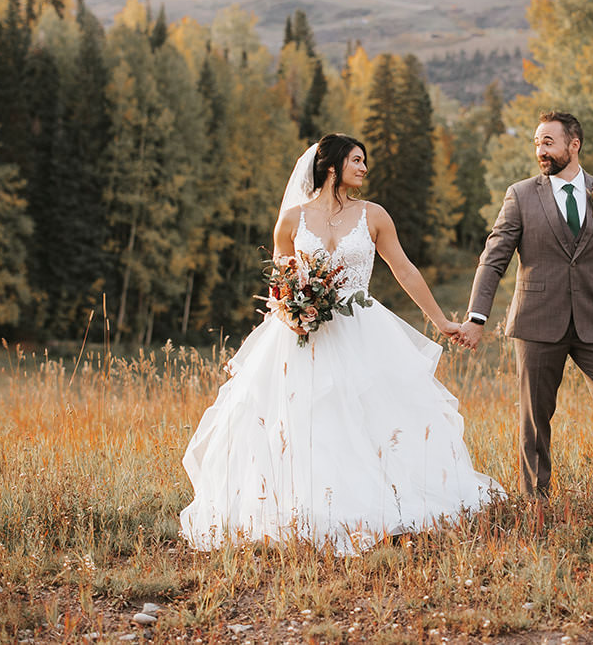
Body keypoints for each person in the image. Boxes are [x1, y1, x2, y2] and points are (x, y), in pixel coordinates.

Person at [179, 133, 501, 554]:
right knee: (305, 421)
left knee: (373, 419)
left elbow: (404, 269)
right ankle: (306, 508)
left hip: (361, 328)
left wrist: (440, 321)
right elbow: (281, 283)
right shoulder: (291, 221)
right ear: (331, 166)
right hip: (302, 337)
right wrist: (291, 314)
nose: (364, 168)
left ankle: (380, 505)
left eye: (364, 161)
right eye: (357, 160)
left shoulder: (374, 216)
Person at [453, 111, 593, 497]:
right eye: (537, 143)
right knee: (536, 418)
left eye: (548, 142)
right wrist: (477, 317)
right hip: (537, 322)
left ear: (574, 145)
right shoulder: (521, 195)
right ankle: (536, 500)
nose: (540, 150)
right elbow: (494, 258)